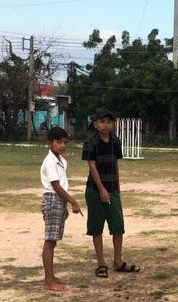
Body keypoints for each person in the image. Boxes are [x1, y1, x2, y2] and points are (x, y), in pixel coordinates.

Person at [82, 110, 140, 279]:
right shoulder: (91, 142)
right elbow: (92, 166)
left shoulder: (115, 141)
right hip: (94, 190)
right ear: (95, 124)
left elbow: (115, 164)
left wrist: (117, 188)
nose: (105, 125)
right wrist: (101, 189)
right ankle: (101, 263)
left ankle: (118, 261)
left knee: (118, 226)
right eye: (102, 122)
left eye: (109, 122)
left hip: (113, 189)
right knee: (96, 227)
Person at [40, 126, 83, 291]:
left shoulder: (61, 161)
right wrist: (73, 202)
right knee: (50, 240)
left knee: (53, 240)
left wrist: (65, 205)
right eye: (59, 142)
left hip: (59, 201)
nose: (63, 145)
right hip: (53, 199)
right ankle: (48, 281)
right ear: (50, 143)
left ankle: (51, 276)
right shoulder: (50, 161)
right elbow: (56, 186)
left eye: (65, 142)